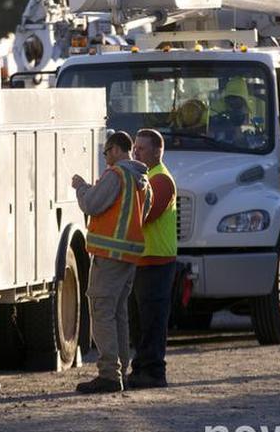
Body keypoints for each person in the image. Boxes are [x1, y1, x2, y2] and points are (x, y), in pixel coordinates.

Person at [71, 131, 150, 393]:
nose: (106, 159)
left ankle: (108, 374)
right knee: (118, 313)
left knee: (102, 311)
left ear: (115, 150)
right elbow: (143, 214)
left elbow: (92, 204)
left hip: (109, 255)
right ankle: (120, 371)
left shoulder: (117, 175)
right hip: (129, 255)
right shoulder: (142, 179)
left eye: (106, 153)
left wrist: (82, 187)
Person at [127, 128, 177, 389]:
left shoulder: (160, 180)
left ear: (158, 152)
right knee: (140, 321)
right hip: (144, 260)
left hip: (157, 262)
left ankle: (154, 372)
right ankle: (141, 369)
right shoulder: (146, 177)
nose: (136, 152)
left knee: (152, 322)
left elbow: (145, 213)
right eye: (135, 148)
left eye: (141, 149)